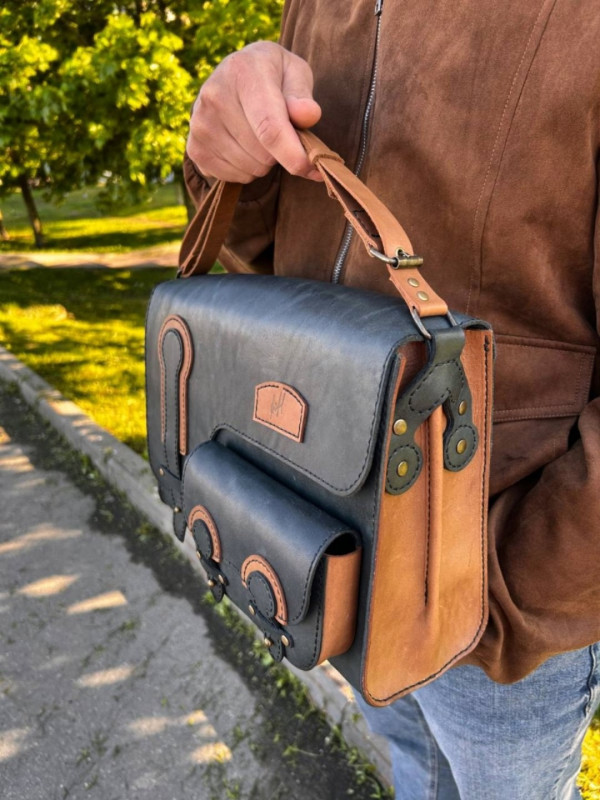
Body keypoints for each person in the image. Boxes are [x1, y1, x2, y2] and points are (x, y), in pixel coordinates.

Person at [183, 2, 600, 797]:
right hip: (336, 544)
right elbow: (268, 261)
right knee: (413, 766)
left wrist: (506, 598)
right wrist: (226, 153)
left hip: (492, 605)